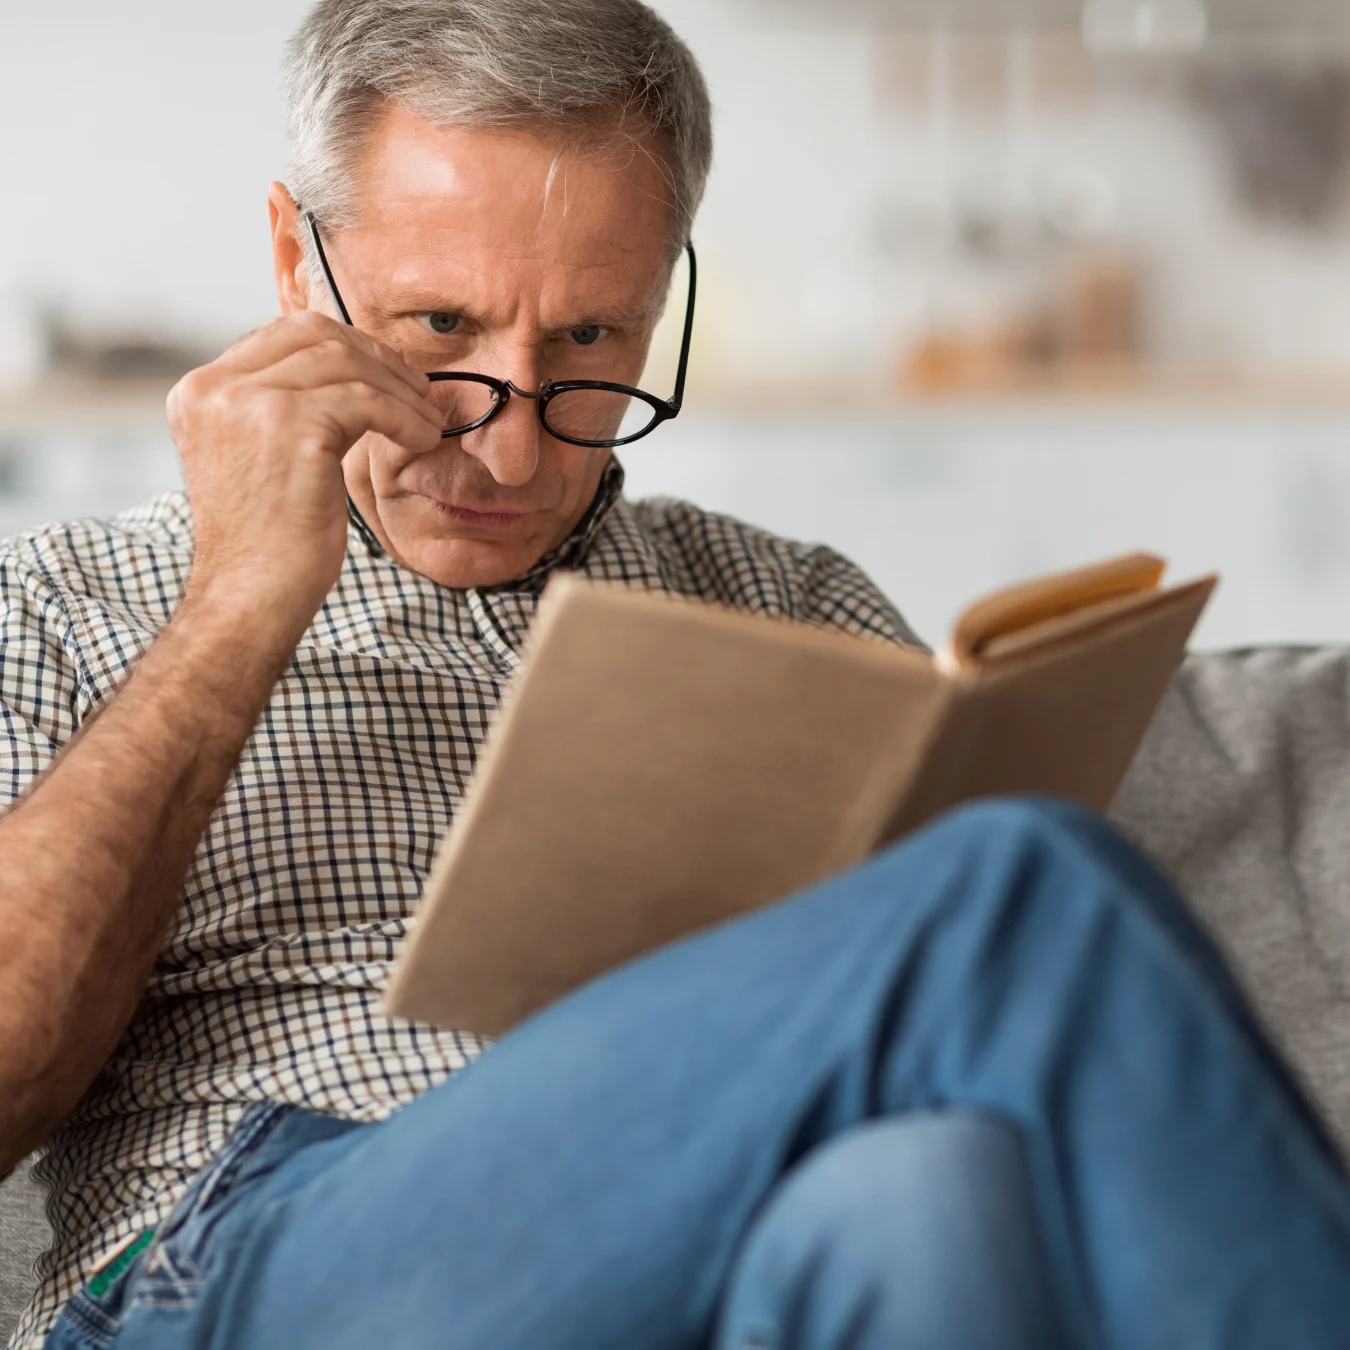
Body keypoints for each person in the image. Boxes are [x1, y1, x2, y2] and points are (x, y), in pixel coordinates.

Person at [1, 2, 1349, 1347]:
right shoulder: (64, 604)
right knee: (1018, 881)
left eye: (589, 343)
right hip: (245, 1271)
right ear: (300, 261)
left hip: (717, 1249)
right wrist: (234, 607)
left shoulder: (786, 602)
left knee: (929, 1195)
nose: (513, 451)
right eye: (437, 329)